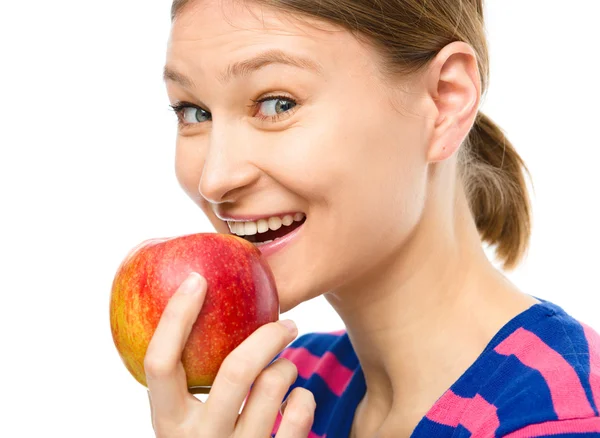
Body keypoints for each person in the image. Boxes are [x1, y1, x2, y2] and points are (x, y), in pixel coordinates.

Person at [143, 0, 600, 436]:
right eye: (194, 111)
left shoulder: (558, 414)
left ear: (444, 102)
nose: (215, 179)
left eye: (278, 103)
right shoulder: (289, 392)